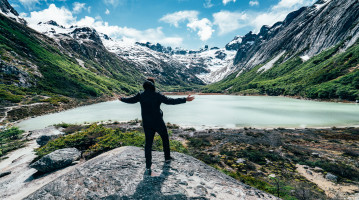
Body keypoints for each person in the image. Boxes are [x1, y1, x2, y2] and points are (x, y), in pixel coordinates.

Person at [119, 77, 194, 174]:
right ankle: (167, 158)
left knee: (148, 144)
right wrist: (185, 99)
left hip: (147, 123)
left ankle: (148, 165)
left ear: (144, 86)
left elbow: (131, 100)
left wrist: (122, 99)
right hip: (158, 122)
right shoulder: (157, 95)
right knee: (165, 138)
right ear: (153, 85)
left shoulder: (141, 95)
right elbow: (170, 101)